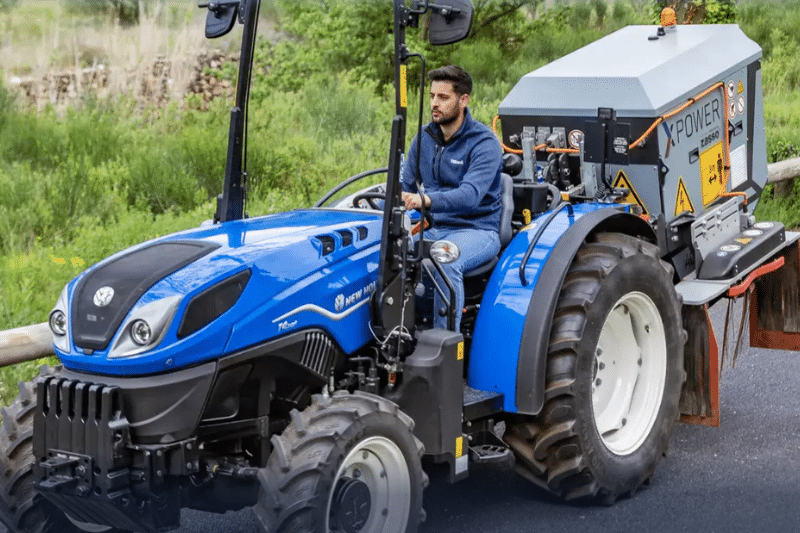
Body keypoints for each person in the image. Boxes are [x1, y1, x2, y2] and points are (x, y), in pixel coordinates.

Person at [401, 65, 503, 331]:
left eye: (443, 98)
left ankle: (445, 343)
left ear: (463, 100)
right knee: (390, 253)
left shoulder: (484, 142)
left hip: (477, 230)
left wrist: (425, 200)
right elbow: (405, 184)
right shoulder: (423, 137)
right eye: (433, 96)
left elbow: (469, 196)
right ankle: (396, 333)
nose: (435, 103)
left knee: (445, 260)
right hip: (436, 227)